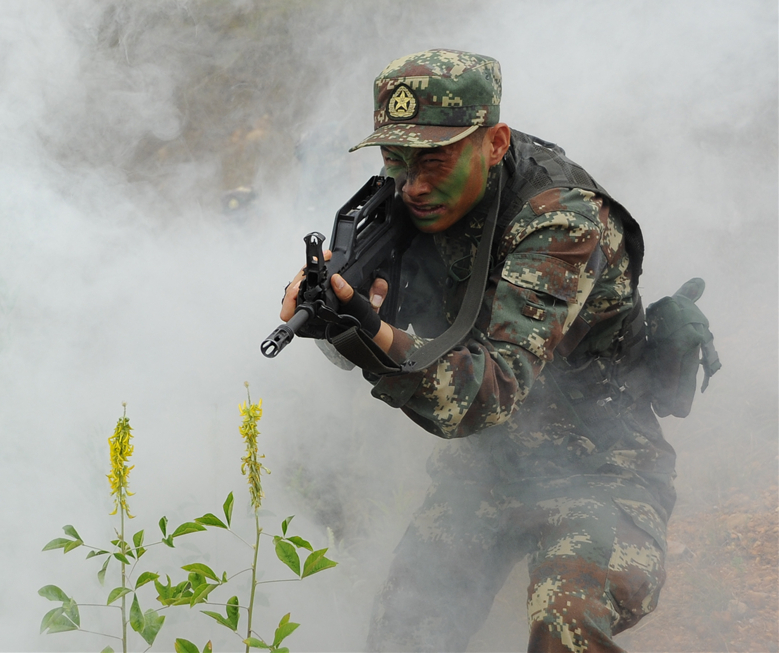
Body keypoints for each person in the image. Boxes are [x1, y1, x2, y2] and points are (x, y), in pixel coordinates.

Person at [279, 49, 674, 653]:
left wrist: (373, 335)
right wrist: (339, 313)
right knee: (404, 633)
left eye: (434, 159)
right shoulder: (403, 205)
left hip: (601, 466)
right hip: (487, 471)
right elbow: (366, 343)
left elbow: (487, 396)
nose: (413, 184)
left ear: (494, 143)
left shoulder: (560, 219)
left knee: (565, 622)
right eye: (396, 158)